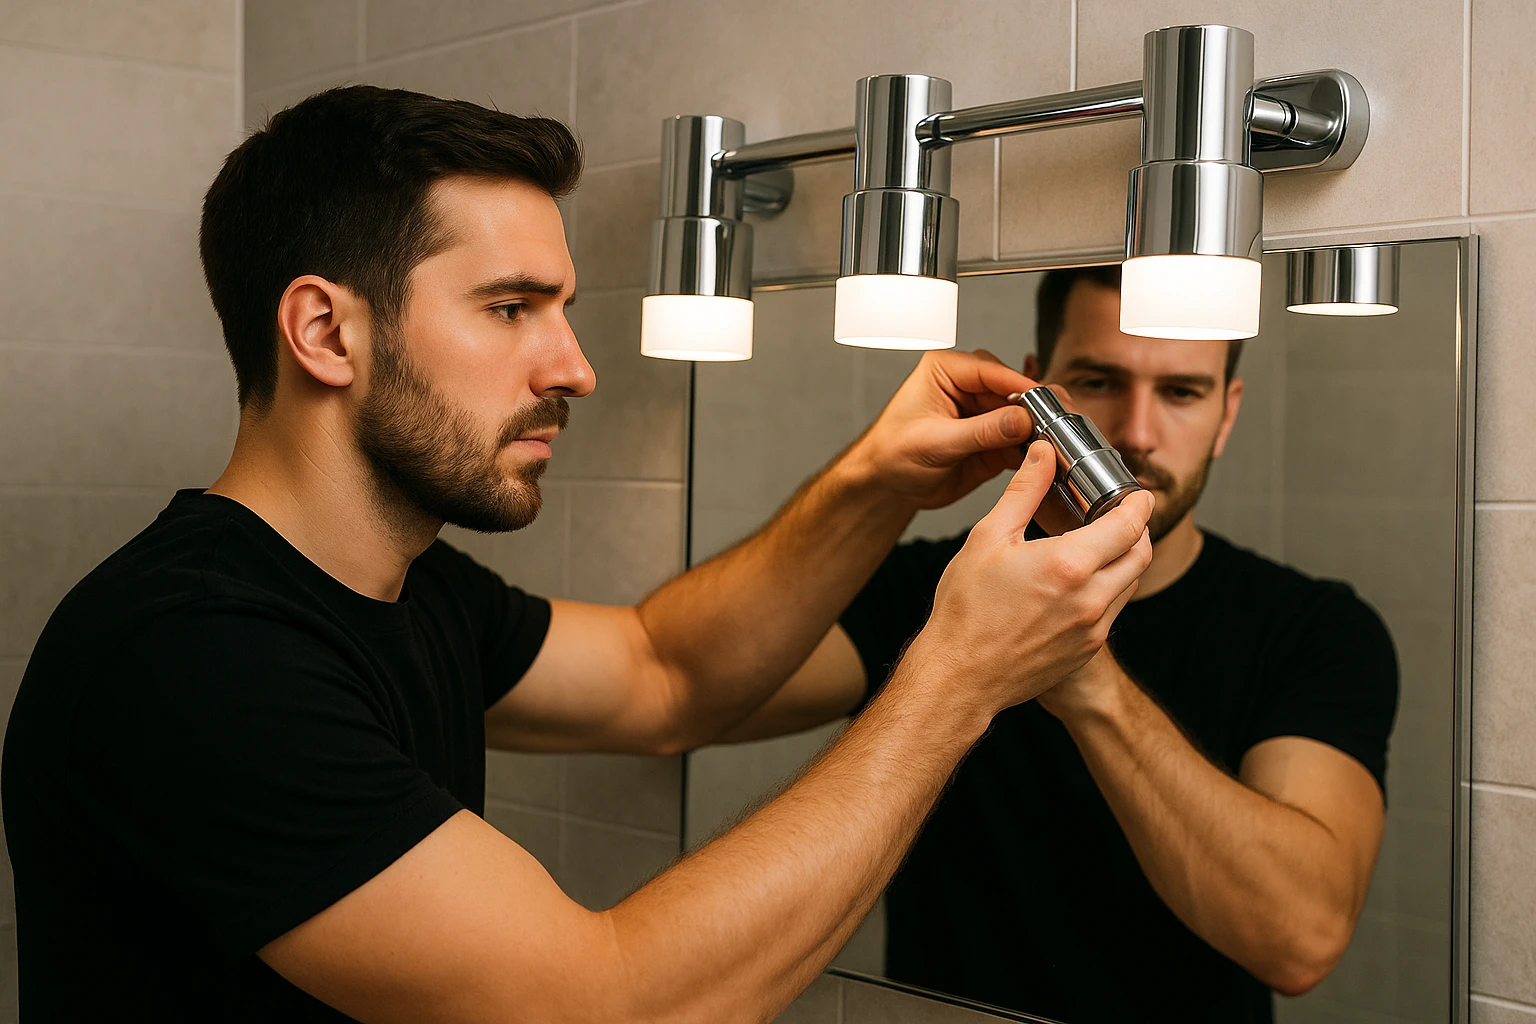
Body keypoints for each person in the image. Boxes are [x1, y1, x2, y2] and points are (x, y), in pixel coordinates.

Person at [0, 87, 1154, 1022]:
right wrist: (958, 676)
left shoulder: (404, 588)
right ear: (324, 331)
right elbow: (603, 1009)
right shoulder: (193, 656)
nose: (574, 365)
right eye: (511, 308)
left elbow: (667, 675)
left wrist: (874, 483)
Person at [728, 266, 1400, 1023]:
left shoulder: (1313, 630)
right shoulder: (931, 590)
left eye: (1182, 392)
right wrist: (876, 482)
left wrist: (1083, 675)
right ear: (1039, 393)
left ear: (1226, 412)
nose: (1139, 433)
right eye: (1101, 381)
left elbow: (1299, 939)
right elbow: (696, 697)